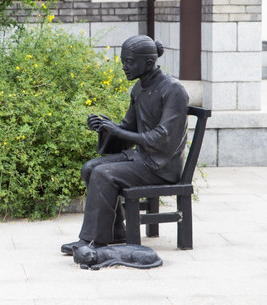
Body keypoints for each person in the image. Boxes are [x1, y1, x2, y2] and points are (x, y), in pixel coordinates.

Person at [61, 35, 189, 254]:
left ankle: (93, 241)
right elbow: (128, 128)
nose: (124, 67)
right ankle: (114, 231)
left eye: (129, 62)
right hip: (144, 158)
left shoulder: (173, 90)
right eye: (123, 61)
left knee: (103, 174)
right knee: (90, 168)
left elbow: (162, 138)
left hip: (162, 166)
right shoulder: (139, 89)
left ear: (148, 63)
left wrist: (118, 130)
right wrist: (104, 126)